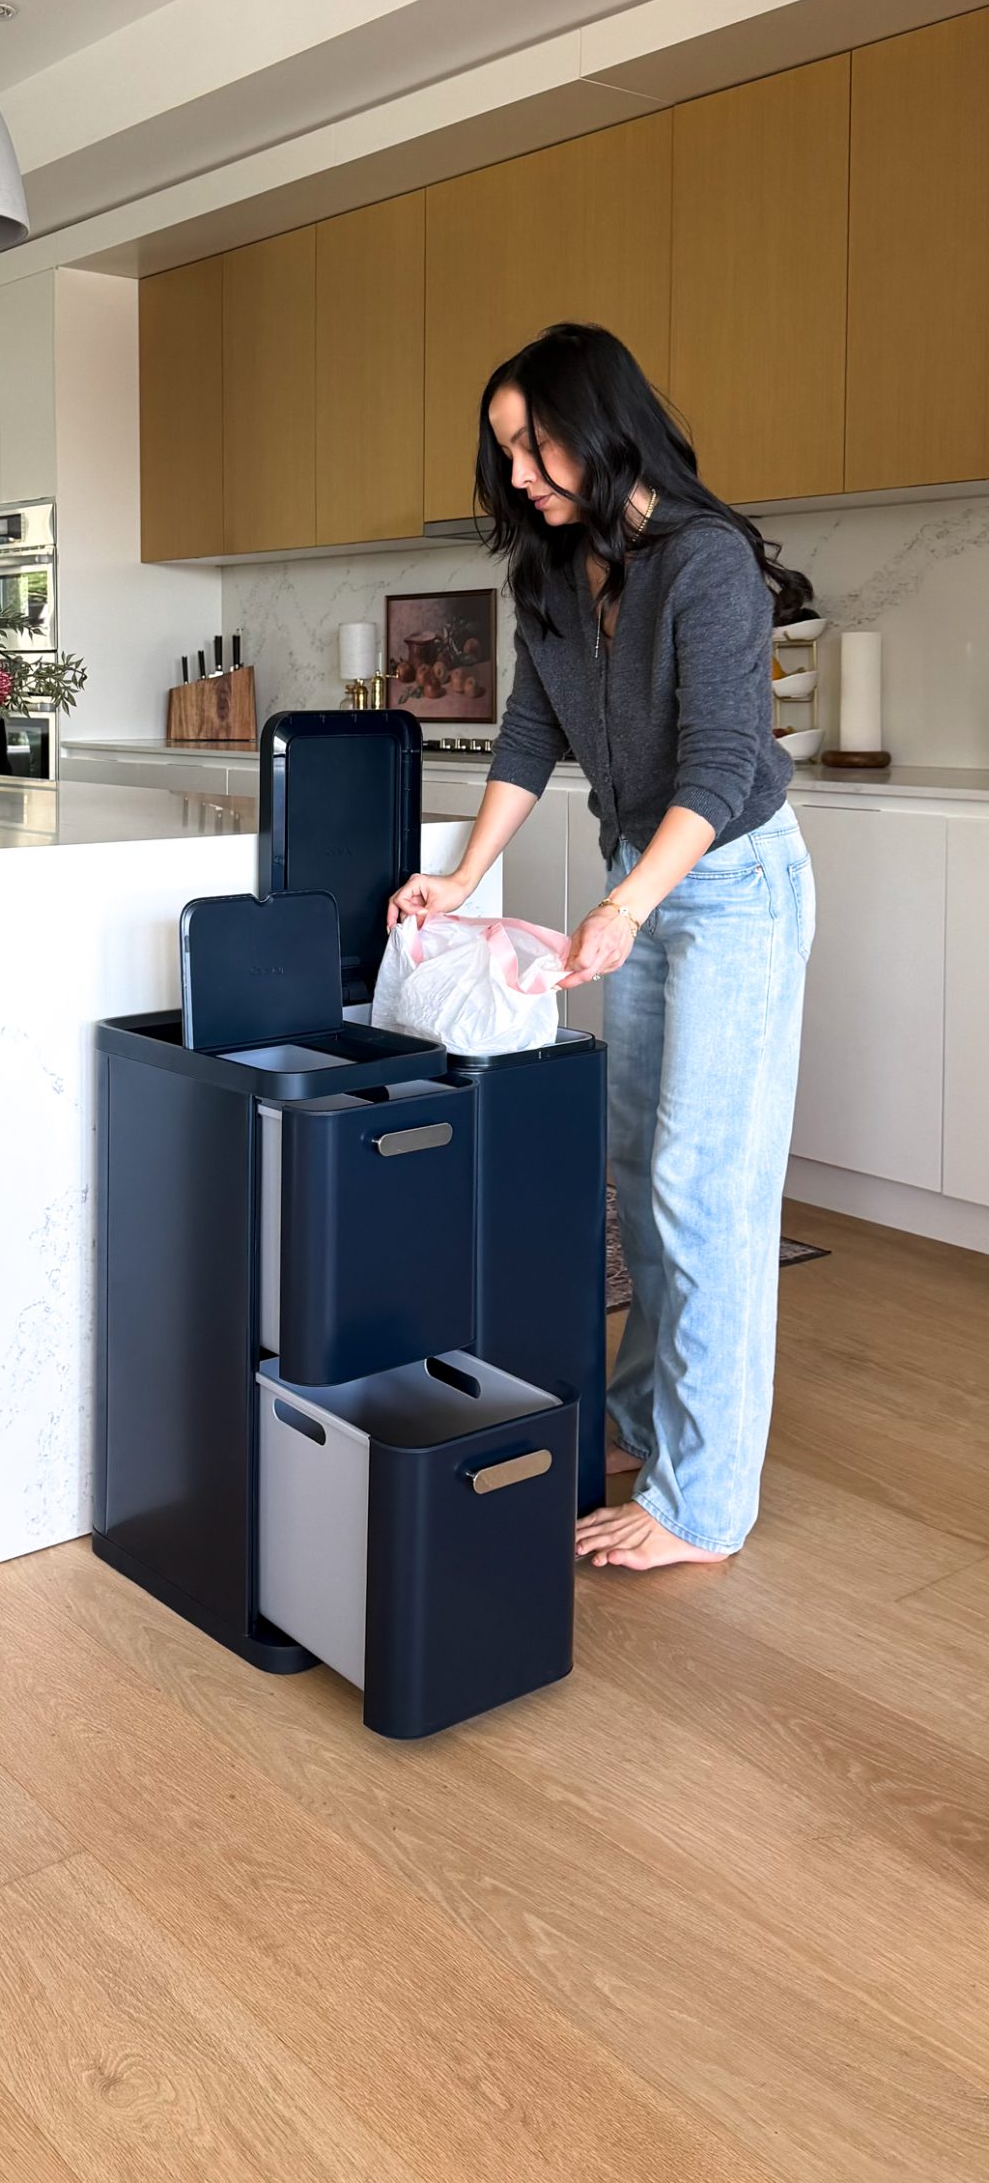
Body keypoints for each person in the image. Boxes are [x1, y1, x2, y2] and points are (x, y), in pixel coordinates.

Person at [388, 323, 816, 1572]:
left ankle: (705, 1502)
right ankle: (642, 1420)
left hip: (731, 887)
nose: (517, 472)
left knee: (705, 1190)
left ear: (601, 417)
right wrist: (463, 876)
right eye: (505, 450)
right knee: (634, 1171)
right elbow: (529, 733)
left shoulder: (708, 562)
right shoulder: (560, 575)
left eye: (532, 441)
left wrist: (629, 906)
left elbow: (726, 760)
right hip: (646, 881)